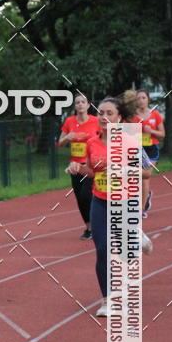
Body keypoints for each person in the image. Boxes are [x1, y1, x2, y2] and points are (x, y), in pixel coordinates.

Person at [66, 92, 153, 316]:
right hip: (101, 201)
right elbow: (91, 170)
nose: (104, 117)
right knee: (103, 250)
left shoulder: (130, 142)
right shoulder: (91, 143)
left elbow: (147, 172)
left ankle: (137, 238)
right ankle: (108, 300)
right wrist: (77, 168)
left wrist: (127, 170)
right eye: (101, 113)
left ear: (120, 118)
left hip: (125, 203)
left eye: (109, 113)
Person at [57, 93, 100, 238]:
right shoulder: (69, 121)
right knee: (80, 197)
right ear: (75, 106)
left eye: (83, 102)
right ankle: (88, 228)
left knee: (86, 194)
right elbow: (59, 142)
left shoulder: (96, 121)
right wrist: (67, 138)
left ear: (88, 105)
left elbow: (104, 138)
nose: (80, 104)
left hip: (90, 164)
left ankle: (97, 224)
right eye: (77, 102)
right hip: (75, 166)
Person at [135, 90, 165, 217]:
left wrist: (151, 131)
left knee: (145, 176)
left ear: (148, 99)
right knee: (138, 179)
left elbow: (162, 134)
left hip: (151, 148)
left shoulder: (155, 115)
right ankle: (144, 198)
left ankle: (141, 208)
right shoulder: (132, 116)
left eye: (143, 97)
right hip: (137, 148)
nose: (141, 100)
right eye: (139, 98)